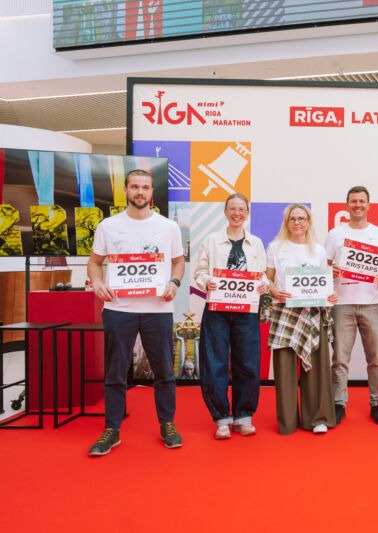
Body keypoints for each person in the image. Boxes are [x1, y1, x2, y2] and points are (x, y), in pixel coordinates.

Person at [86, 168, 185, 456]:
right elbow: (94, 263)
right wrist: (98, 282)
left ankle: (167, 423)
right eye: (135, 187)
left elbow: (178, 262)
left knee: (164, 371)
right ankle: (111, 429)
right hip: (118, 309)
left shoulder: (168, 227)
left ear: (152, 192)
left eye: (145, 187)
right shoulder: (108, 225)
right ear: (126, 190)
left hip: (158, 309)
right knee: (116, 372)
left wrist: (174, 281)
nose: (140, 192)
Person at [193, 193, 268, 439]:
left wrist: (264, 284)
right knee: (215, 362)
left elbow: (263, 275)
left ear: (247, 213)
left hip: (246, 311)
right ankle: (221, 418)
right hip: (217, 310)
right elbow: (200, 271)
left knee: (247, 361)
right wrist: (207, 281)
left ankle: (244, 417)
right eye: (232, 209)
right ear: (225, 212)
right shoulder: (212, 240)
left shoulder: (256, 243)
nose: (237, 213)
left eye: (241, 209)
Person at [324, 186, 378, 425]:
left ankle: (377, 404)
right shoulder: (335, 234)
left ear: (368, 205)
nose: (357, 205)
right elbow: (323, 265)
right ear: (347, 205)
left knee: (375, 359)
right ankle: (338, 404)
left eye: (362, 201)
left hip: (372, 304)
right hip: (342, 303)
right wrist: (329, 270)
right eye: (353, 201)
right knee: (340, 359)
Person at [267, 204, 337, 435]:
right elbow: (267, 279)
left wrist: (330, 295)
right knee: (285, 370)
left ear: (308, 222)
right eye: (293, 219)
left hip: (313, 313)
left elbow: (324, 281)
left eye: (302, 218)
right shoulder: (276, 247)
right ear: (286, 222)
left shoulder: (318, 250)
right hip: (285, 312)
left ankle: (316, 418)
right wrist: (274, 291)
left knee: (315, 368)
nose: (297, 222)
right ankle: (287, 421)